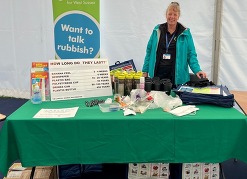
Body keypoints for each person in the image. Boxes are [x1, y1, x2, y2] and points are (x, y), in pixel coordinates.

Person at [142, 2, 207, 87]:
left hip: (177, 77)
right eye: (170, 14)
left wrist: (197, 70)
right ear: (166, 15)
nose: (172, 17)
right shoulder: (157, 30)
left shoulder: (185, 33)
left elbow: (191, 54)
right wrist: (145, 71)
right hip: (157, 76)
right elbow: (149, 51)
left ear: (178, 16)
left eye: (175, 14)